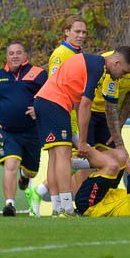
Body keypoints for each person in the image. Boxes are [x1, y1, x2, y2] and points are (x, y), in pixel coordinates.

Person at [25, 34, 130, 215]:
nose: (122, 77)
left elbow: (77, 99)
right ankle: (66, 209)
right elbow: (85, 104)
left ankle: (58, 208)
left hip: (53, 103)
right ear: (116, 63)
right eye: (123, 73)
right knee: (63, 154)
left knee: (60, 156)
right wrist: (82, 141)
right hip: (54, 103)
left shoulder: (95, 64)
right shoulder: (98, 67)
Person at [27, 16, 88, 211]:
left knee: (65, 159)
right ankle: (62, 206)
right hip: (59, 111)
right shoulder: (61, 54)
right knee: (63, 158)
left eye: (84, 32)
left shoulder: (78, 54)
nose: (81, 35)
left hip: (69, 114)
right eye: (77, 31)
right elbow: (56, 86)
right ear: (66, 32)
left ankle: (49, 198)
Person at [0, 41, 47, 216]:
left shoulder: (38, 74)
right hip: (8, 132)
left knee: (32, 172)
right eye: (11, 53)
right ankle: (9, 205)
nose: (15, 56)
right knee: (11, 163)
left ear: (25, 56)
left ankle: (24, 176)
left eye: (19, 53)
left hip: (33, 132)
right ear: (6, 57)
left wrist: (38, 108)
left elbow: (51, 93)